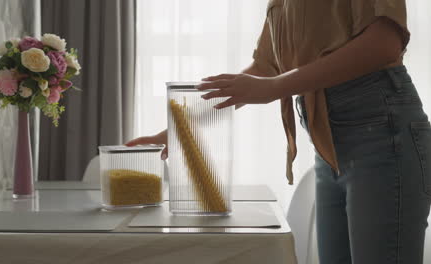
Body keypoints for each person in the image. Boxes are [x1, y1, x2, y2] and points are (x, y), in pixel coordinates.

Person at [127, 1, 431, 263]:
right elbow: (265, 66)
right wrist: (177, 131)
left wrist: (274, 88)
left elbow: (384, 42)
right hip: (328, 147)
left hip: (383, 134)